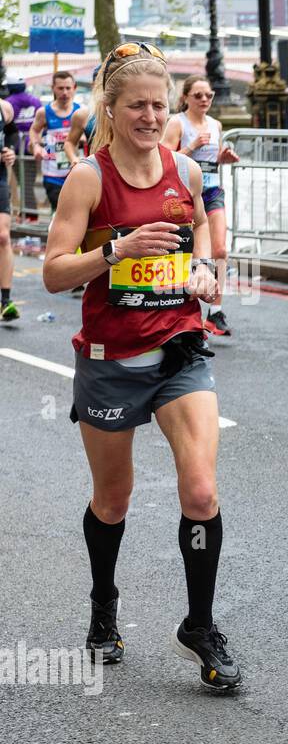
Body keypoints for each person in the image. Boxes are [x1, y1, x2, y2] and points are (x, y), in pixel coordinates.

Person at [41, 43, 240, 690]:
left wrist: (206, 271)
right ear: (113, 108)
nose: (151, 116)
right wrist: (116, 249)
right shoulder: (89, 179)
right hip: (111, 361)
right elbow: (52, 272)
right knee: (114, 498)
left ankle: (201, 626)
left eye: (160, 104)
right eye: (138, 106)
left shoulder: (183, 168)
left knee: (201, 490)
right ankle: (104, 606)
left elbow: (201, 237)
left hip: (179, 350)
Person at [162, 75, 240, 337]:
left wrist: (224, 158)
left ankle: (215, 312)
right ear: (185, 98)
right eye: (198, 96)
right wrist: (192, 146)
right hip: (184, 195)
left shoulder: (215, 125)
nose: (205, 100)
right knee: (187, 253)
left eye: (209, 95)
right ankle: (180, 309)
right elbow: (163, 159)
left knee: (219, 250)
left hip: (213, 191)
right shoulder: (176, 123)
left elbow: (212, 160)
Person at [28, 70, 80, 213]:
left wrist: (82, 137)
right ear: (53, 88)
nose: (64, 92)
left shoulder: (80, 112)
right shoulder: (44, 112)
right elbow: (34, 130)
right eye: (60, 88)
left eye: (68, 88)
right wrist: (37, 146)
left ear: (74, 88)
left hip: (75, 171)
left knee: (76, 212)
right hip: (52, 173)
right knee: (58, 212)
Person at [4, 77, 43, 221]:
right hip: (35, 146)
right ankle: (27, 212)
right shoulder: (35, 100)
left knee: (24, 181)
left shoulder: (9, 102)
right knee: (29, 181)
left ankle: (30, 214)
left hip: (18, 147)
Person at [1, 95, 16, 320]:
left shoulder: (4, 108)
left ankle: (5, 301)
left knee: (3, 237)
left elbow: (12, 133)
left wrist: (10, 150)